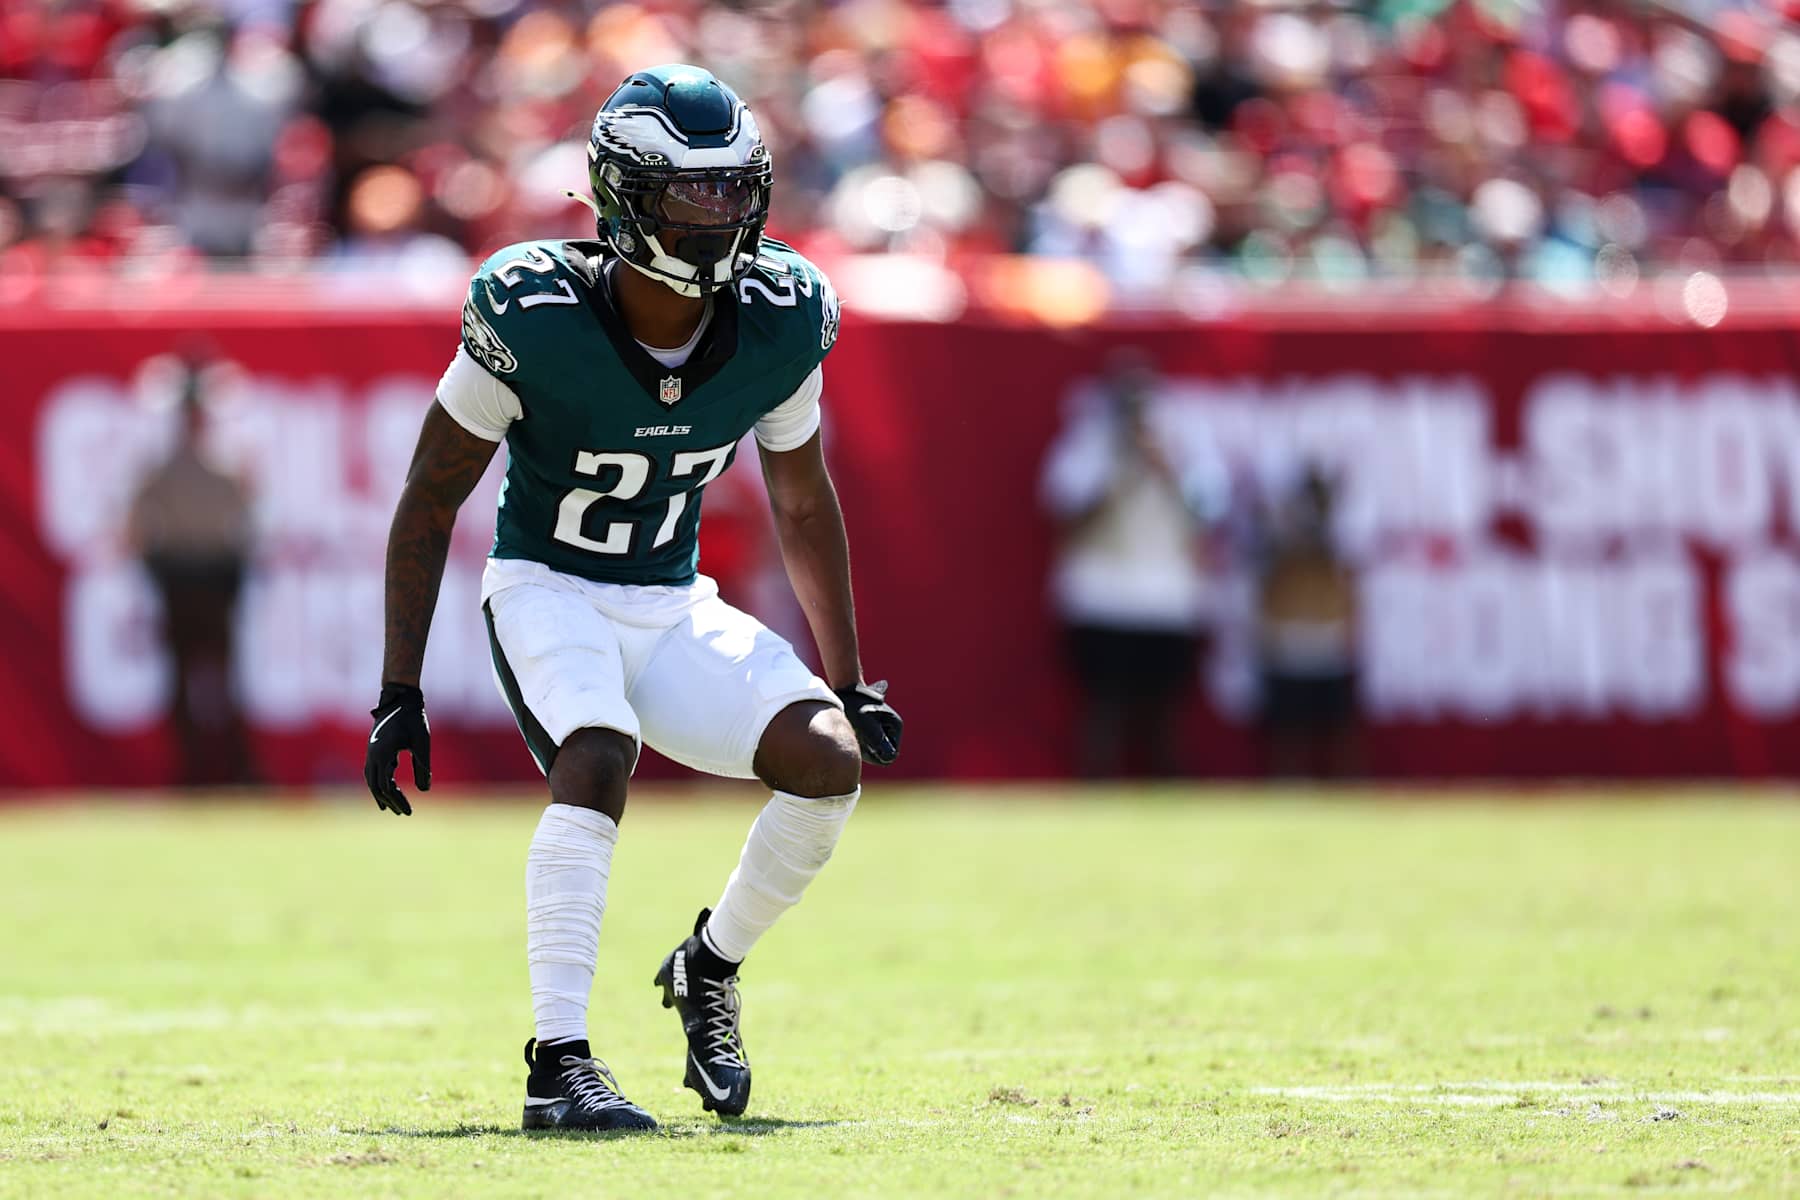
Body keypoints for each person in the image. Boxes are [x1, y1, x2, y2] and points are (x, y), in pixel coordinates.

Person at [362, 66, 903, 1133]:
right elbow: (431, 497)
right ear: (622, 194)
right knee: (598, 751)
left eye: (732, 191)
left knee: (826, 759)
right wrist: (397, 685)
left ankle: (708, 965)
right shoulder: (535, 308)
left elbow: (801, 502)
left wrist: (846, 676)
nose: (718, 216)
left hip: (666, 599)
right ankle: (557, 1059)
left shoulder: (782, 318)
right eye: (689, 193)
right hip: (546, 586)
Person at [1038, 352, 1225, 777]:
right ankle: (1096, 795)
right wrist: (1119, 469)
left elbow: (1209, 509)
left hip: (1168, 600)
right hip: (1101, 597)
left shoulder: (1183, 439)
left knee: (1165, 715)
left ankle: (1168, 806)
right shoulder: (1088, 441)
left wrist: (1166, 466)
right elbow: (1066, 512)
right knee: (1104, 708)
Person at [128, 355, 255, 788]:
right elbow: (136, 530)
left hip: (214, 584)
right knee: (183, 683)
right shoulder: (164, 473)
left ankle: (232, 769)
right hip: (181, 583)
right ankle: (191, 770)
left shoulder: (225, 472)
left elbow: (247, 527)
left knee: (223, 683)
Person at [1255, 465, 1361, 778]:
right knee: (1288, 737)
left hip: (1328, 647)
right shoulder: (1280, 540)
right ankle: (1286, 794)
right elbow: (1272, 582)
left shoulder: (1337, 541)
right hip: (1289, 647)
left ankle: (1350, 798)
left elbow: (1345, 585)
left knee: (1340, 735)